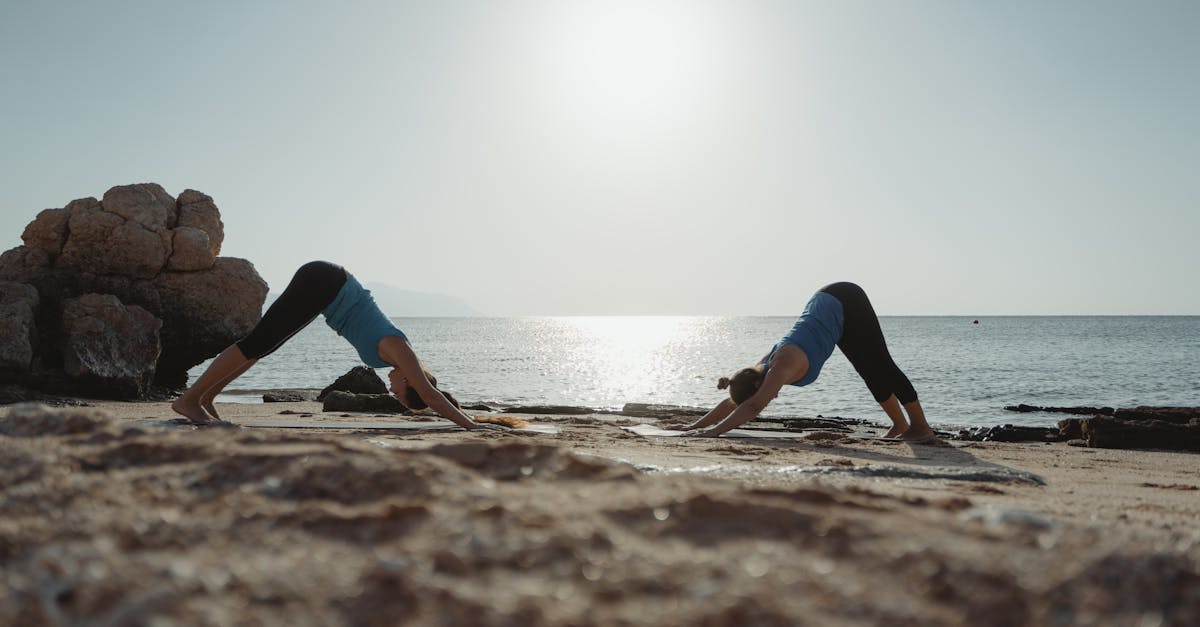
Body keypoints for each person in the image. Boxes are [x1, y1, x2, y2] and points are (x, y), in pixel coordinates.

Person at [171, 261, 499, 430]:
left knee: (263, 346)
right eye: (400, 393)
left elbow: (424, 395)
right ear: (410, 381)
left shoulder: (390, 359)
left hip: (325, 289)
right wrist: (469, 423)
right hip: (326, 283)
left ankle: (206, 396)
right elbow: (429, 395)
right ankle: (189, 400)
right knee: (258, 343)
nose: (393, 391)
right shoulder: (400, 349)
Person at [681, 282, 936, 442]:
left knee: (882, 364)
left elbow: (753, 406)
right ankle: (900, 424)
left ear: (759, 383)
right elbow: (735, 400)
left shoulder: (779, 365)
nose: (770, 398)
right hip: (828, 309)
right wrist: (695, 426)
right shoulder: (758, 369)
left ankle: (921, 427)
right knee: (868, 371)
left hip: (845, 299)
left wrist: (713, 432)